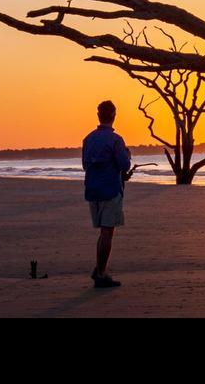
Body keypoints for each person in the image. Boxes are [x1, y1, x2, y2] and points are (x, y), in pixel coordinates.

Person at [83, 100, 131, 288]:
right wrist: (127, 155)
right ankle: (101, 273)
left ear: (98, 115)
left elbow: (85, 165)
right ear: (114, 115)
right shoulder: (115, 140)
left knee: (103, 232)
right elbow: (124, 165)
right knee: (107, 232)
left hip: (92, 189)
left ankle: (99, 269)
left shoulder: (88, 139)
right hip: (110, 189)